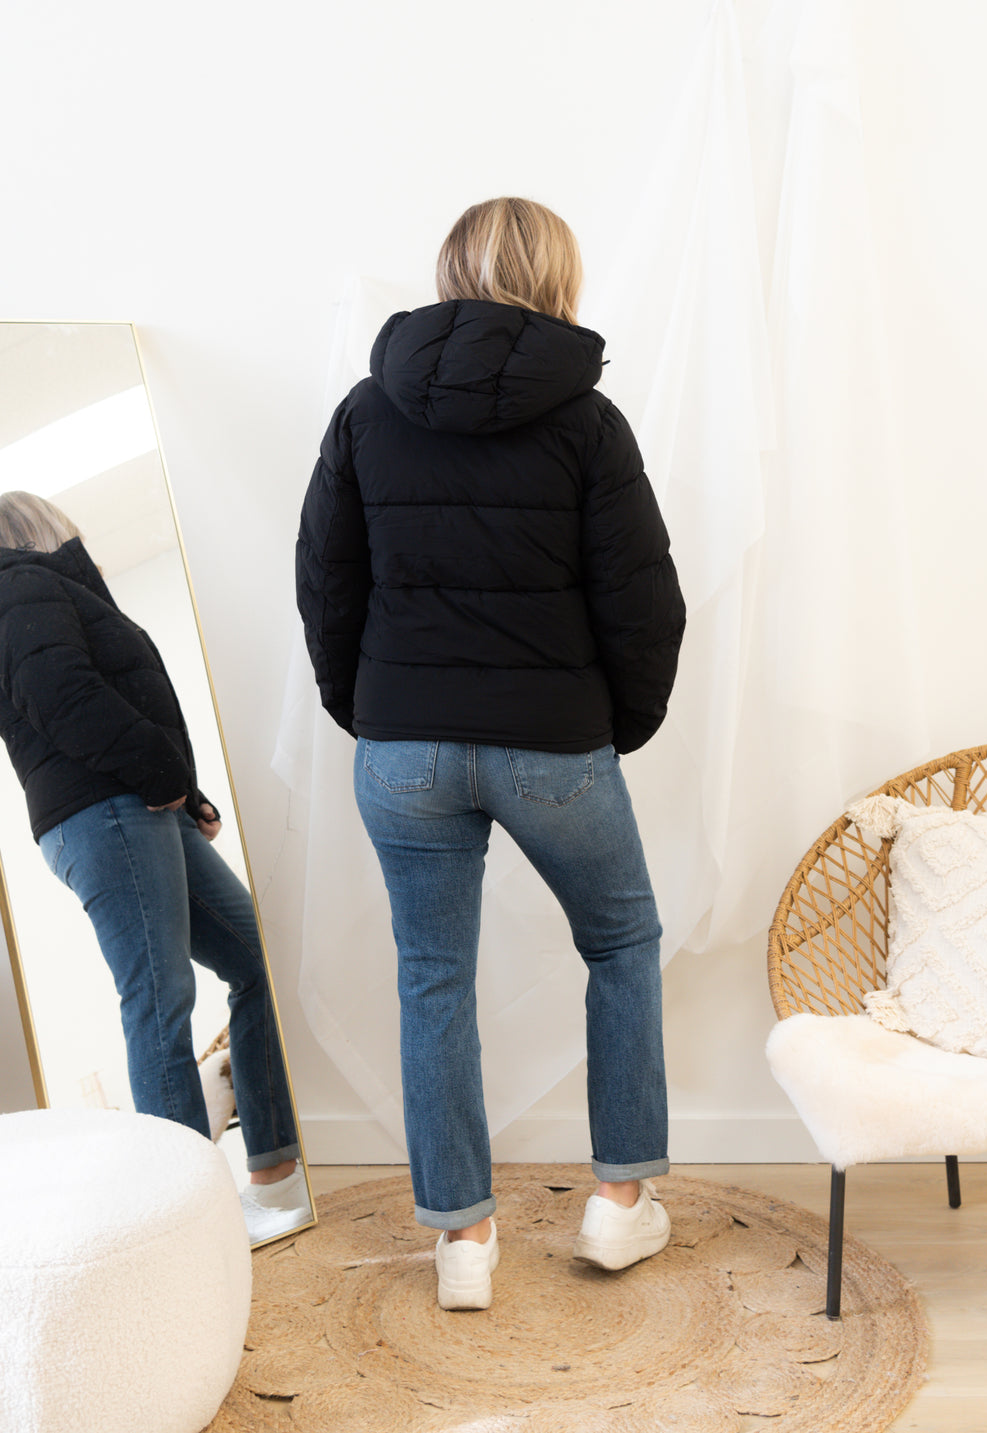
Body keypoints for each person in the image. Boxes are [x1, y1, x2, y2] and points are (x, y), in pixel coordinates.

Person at [296, 196, 686, 1309]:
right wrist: (609, 728)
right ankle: (619, 1204)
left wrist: (371, 711)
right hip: (552, 741)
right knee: (622, 942)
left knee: (433, 977)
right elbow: (643, 602)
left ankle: (462, 1238)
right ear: (558, 277)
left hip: (402, 747)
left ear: (450, 270)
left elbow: (323, 580)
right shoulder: (588, 422)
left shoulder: (366, 410)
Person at [0, 491, 305, 1243]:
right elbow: (65, 699)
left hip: (134, 804)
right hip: (105, 811)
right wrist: (166, 777)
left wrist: (184, 793)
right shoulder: (21, 586)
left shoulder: (48, 591)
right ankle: (192, 1223)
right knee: (159, 1000)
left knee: (255, 962)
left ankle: (271, 1173)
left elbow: (121, 700)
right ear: (39, 529)